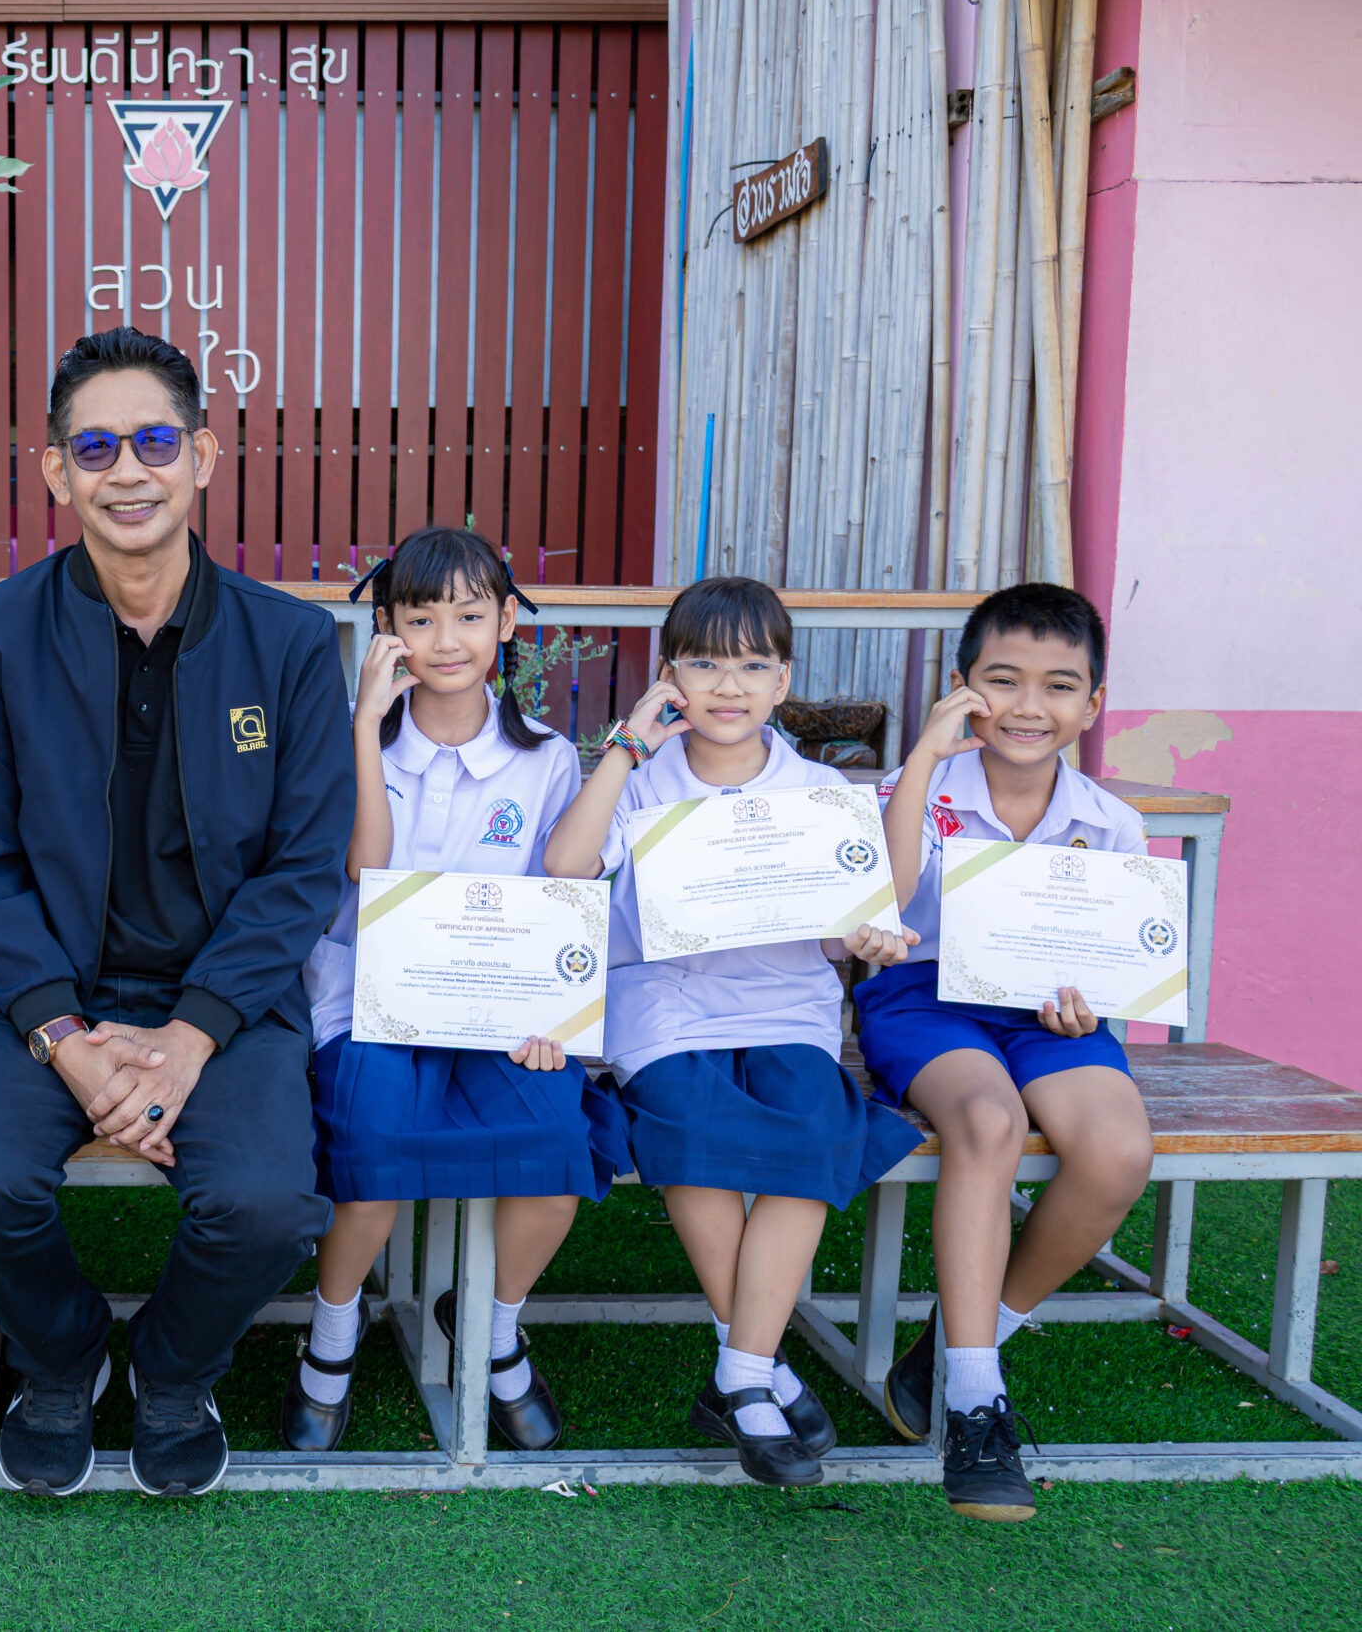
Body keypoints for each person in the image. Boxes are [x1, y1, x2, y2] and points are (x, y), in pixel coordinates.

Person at [0, 325, 352, 1497]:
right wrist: (64, 1038)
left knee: (267, 1206)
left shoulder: (289, 642)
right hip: (41, 993)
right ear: (55, 472)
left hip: (226, 1000)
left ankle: (170, 1369)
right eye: (95, 447)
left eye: (154, 441)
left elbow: (303, 866)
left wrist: (192, 1035)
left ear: (202, 457)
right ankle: (63, 1358)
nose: (127, 471)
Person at [541, 576, 921, 1488]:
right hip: (665, 1005)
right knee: (692, 1127)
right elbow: (565, 866)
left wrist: (865, 937)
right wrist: (626, 748)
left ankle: (741, 1370)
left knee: (813, 1130)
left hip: (785, 1005)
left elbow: (837, 931)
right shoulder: (640, 780)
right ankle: (758, 1374)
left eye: (753, 666)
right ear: (668, 673)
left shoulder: (821, 791)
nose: (728, 685)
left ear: (783, 680)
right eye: (704, 663)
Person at [283, 525, 627, 1454]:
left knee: (557, 1142)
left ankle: (495, 1324)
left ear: (507, 621)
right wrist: (365, 727)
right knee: (372, 1140)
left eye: (470, 616)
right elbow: (365, 871)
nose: (446, 639)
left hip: (500, 1013)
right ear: (386, 627)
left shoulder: (545, 757)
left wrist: (552, 1017)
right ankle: (333, 1326)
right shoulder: (350, 738)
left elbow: (557, 897)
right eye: (420, 617)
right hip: (368, 1000)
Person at [859, 582, 1154, 1522]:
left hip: (1046, 1011)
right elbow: (878, 901)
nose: (1029, 705)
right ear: (961, 687)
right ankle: (977, 1403)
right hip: (925, 997)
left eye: (1059, 685)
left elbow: (1113, 963)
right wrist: (922, 758)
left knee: (1117, 1152)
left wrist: (1086, 1004)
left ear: (1093, 704)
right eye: (1003, 679)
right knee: (989, 1118)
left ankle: (957, 1341)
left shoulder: (1110, 823)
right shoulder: (910, 790)